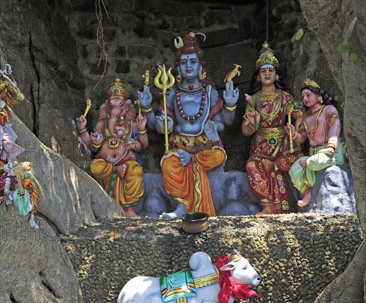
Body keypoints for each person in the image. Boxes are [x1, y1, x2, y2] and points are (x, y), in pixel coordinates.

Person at [138, 31, 239, 219]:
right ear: (179, 68)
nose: (188, 66)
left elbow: (225, 122)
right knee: (169, 164)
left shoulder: (209, 92)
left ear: (201, 67)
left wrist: (230, 105)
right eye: (184, 63)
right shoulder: (172, 93)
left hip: (205, 147)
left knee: (216, 156)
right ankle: (181, 207)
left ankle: (190, 200)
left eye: (193, 62)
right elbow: (157, 126)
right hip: (179, 144)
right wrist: (147, 109)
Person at [242, 42, 302, 214]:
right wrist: (253, 122)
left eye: (271, 70)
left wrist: (296, 135)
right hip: (260, 144)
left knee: (277, 167)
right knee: (252, 165)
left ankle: (284, 206)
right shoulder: (253, 99)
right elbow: (246, 131)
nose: (267, 73)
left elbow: (301, 117)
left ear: (277, 76)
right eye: (263, 71)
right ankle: (267, 204)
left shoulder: (285, 97)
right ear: (258, 77)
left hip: (283, 143)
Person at [76, 77, 148, 217]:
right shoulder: (102, 123)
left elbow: (143, 144)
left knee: (135, 173)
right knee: (95, 167)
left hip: (127, 160)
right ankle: (107, 206)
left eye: (118, 101)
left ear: (124, 104)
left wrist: (141, 132)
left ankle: (129, 210)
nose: (115, 104)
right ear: (108, 104)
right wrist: (83, 130)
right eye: (112, 101)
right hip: (106, 161)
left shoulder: (131, 123)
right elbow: (91, 146)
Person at [286, 78, 344, 207]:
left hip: (330, 153)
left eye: (308, 95)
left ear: (318, 96)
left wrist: (331, 146)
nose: (305, 99)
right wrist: (293, 133)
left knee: (312, 163)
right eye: (303, 96)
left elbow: (335, 127)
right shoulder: (305, 117)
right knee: (294, 168)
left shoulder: (329, 110)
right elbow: (302, 138)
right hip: (314, 154)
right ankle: (306, 193)